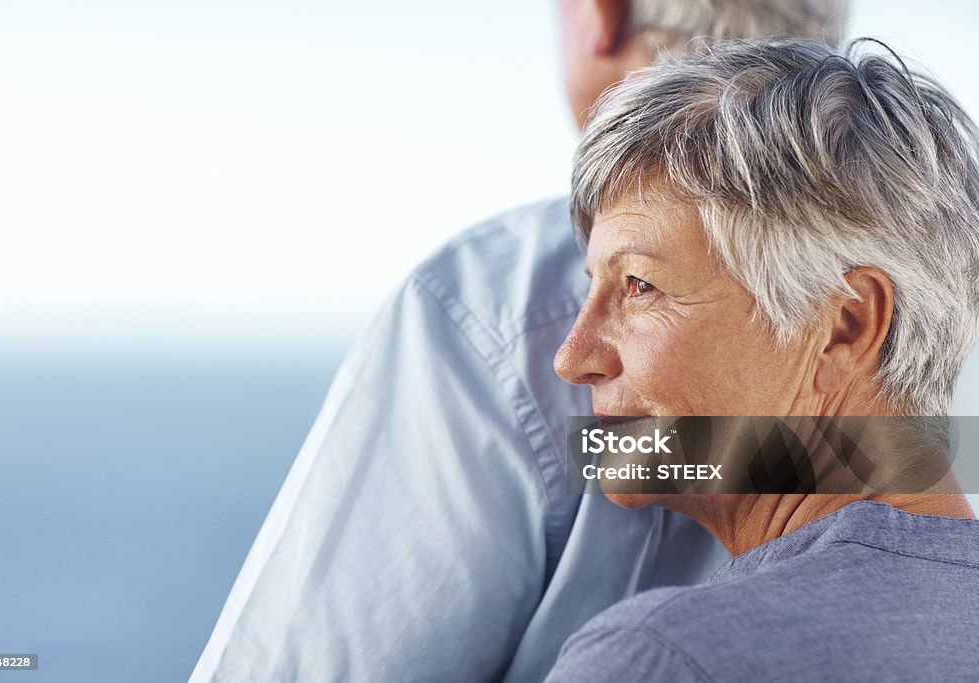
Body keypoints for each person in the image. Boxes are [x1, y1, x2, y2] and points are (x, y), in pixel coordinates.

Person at [189, 3, 847, 681]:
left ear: (604, 15)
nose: (574, 356)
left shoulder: (499, 307)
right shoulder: (931, 288)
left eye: (639, 287)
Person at [545, 37, 979, 681]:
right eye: (592, 287)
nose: (572, 358)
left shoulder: (663, 657)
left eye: (640, 285)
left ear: (845, 327)